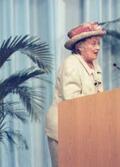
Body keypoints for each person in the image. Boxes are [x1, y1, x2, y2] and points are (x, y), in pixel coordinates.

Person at [45, 22, 106, 167]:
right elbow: (71, 100)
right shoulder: (71, 64)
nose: (97, 48)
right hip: (64, 129)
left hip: (83, 128)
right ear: (79, 46)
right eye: (93, 44)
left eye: (98, 44)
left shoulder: (95, 66)